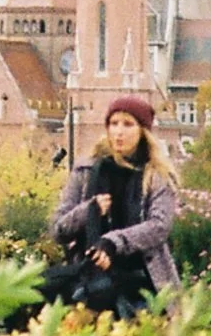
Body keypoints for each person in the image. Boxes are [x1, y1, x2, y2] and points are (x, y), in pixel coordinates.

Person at [41, 94, 180, 320]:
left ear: (142, 131)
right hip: (91, 283)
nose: (119, 131)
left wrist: (113, 243)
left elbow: (159, 226)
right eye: (114, 124)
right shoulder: (85, 171)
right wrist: (89, 211)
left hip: (144, 282)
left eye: (128, 124)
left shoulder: (157, 175)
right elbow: (58, 229)